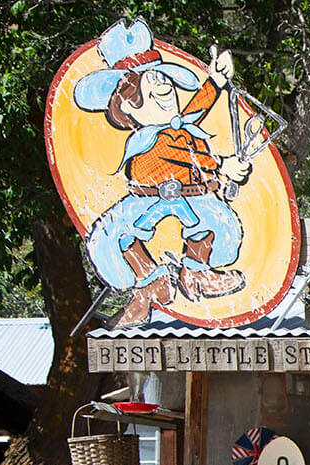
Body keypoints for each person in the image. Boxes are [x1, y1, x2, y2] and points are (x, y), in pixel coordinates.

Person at [73, 19, 252, 325]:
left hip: (194, 195)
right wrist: (223, 164)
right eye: (151, 81)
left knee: (217, 224)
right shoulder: (146, 139)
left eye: (161, 77)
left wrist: (216, 82)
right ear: (129, 105)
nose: (162, 85)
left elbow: (196, 109)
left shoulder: (181, 125)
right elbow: (181, 157)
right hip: (146, 198)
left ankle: (196, 273)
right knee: (113, 235)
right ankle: (148, 285)